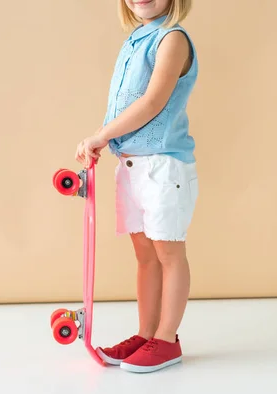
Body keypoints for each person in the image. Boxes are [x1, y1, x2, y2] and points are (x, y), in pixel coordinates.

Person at [74, 0, 199, 373]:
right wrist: (102, 140)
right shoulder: (135, 40)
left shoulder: (172, 39)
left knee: (168, 254)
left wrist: (99, 136)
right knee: (145, 256)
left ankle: (166, 339)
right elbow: (120, 106)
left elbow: (152, 102)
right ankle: (146, 334)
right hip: (132, 166)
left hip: (164, 166)